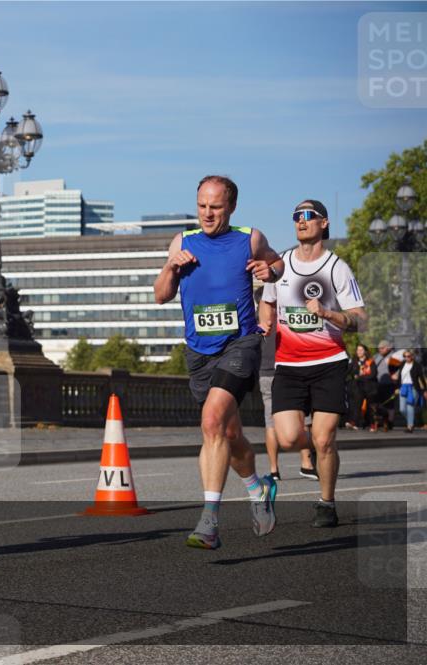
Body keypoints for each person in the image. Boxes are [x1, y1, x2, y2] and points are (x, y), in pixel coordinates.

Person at [154, 175, 283, 550]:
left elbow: (275, 262)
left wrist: (268, 271)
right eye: (202, 206)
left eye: (216, 207)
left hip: (240, 344)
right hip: (199, 352)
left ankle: (209, 521)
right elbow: (161, 295)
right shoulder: (183, 242)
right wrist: (171, 268)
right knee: (228, 434)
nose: (208, 214)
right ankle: (257, 488)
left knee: (211, 421)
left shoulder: (249, 238)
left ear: (232, 207)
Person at [259, 200, 367, 529]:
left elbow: (360, 319)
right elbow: (267, 304)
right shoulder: (280, 266)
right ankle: (320, 446)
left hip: (329, 363)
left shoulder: (337, 268)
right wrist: (265, 324)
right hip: (289, 365)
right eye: (296, 217)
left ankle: (326, 502)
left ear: (324, 223)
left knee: (324, 439)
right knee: (290, 438)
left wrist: (327, 314)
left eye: (308, 216)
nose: (301, 222)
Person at [255, 287, 316, 481]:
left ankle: (274, 470)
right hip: (289, 372)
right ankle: (306, 464)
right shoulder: (285, 319)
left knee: (270, 422)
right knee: (303, 418)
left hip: (264, 374)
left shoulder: (255, 324)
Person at [346, 343, 378, 430]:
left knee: (371, 406)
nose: (359, 352)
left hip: (370, 387)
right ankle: (354, 422)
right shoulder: (354, 361)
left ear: (365, 351)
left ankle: (372, 424)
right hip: (358, 387)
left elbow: (373, 374)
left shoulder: (370, 362)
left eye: (361, 350)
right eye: (357, 350)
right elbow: (347, 372)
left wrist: (359, 377)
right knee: (356, 405)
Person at [398, 350, 427, 433]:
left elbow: (421, 378)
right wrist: (397, 387)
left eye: (409, 356)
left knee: (410, 406)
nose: (407, 358)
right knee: (402, 409)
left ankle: (410, 426)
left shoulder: (417, 366)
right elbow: (400, 377)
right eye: (405, 356)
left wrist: (425, 390)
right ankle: (412, 421)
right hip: (403, 387)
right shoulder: (402, 364)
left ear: (412, 356)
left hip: (413, 388)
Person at [372, 340, 398, 432]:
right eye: (379, 348)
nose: (380, 350)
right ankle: (380, 422)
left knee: (389, 405)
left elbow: (398, 370)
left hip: (390, 384)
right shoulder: (376, 356)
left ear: (388, 348)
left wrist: (396, 376)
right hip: (378, 384)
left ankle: (390, 422)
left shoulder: (393, 357)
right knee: (379, 404)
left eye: (382, 348)